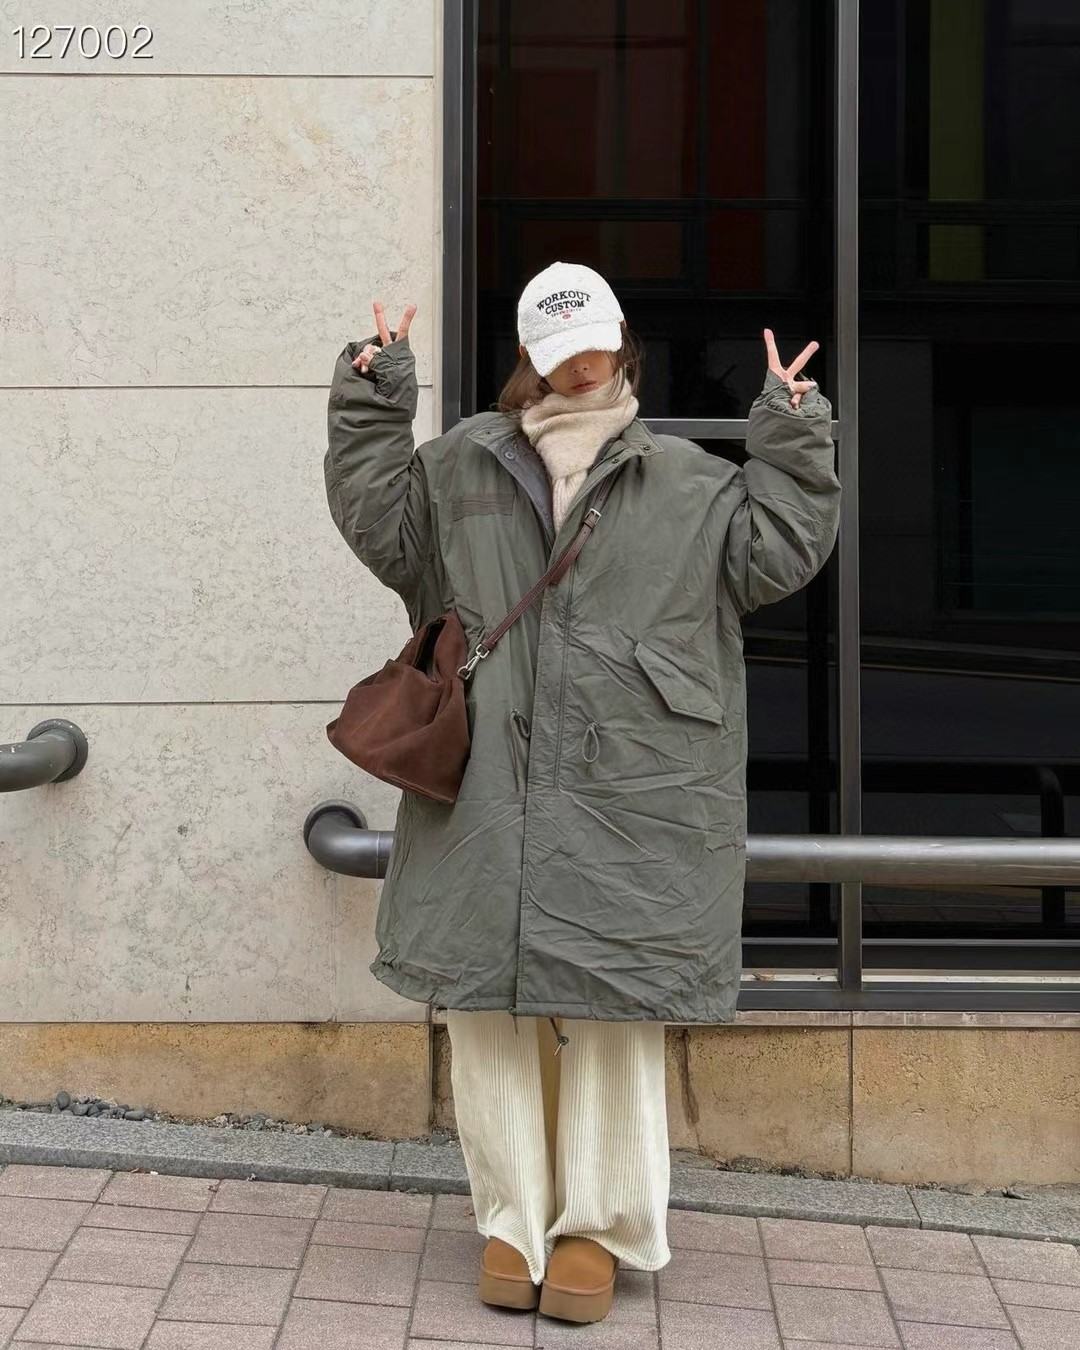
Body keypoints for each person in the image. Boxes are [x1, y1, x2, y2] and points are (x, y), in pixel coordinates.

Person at [323, 260, 841, 1324]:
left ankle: (599, 1231)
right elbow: (385, 531)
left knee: (614, 1011)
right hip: (489, 783)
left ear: (623, 341)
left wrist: (792, 431)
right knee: (487, 1012)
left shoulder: (692, 482)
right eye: (561, 349)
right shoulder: (463, 465)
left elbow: (781, 554)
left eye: (597, 342)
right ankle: (512, 1223)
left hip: (635, 788)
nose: (583, 363)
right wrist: (374, 401)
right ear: (531, 355)